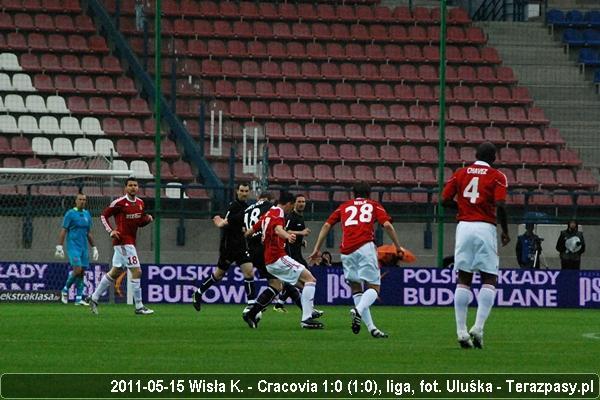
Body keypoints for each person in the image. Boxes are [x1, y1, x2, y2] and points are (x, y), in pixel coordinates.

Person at [309, 182, 402, 339]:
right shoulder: (374, 205)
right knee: (374, 287)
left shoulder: (344, 206)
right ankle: (357, 310)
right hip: (365, 247)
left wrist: (317, 248)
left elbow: (326, 225)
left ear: (353, 193)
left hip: (346, 251)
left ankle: (372, 328)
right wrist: (398, 246)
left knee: (356, 288)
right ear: (369, 193)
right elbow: (387, 225)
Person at [442, 142, 510, 349]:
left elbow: (444, 200)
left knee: (464, 277)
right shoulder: (498, 176)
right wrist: (505, 231)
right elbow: (500, 204)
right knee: (489, 277)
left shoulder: (460, 173)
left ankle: (461, 332)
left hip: (464, 227)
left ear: (475, 155)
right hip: (485, 227)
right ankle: (478, 328)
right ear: (494, 158)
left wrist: (462, 207)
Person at [243, 192, 323, 329]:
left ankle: (252, 313)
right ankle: (307, 319)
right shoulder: (278, 213)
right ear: (289, 204)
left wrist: (246, 236)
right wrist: (287, 236)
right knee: (310, 280)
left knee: (279, 286)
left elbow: (250, 231)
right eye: (292, 206)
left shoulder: (268, 213)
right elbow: (278, 229)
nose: (291, 210)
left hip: (269, 260)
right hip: (277, 258)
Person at [87, 178, 154, 315]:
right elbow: (104, 216)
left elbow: (139, 222)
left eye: (135, 185)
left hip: (129, 242)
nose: (133, 188)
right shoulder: (119, 203)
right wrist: (111, 231)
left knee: (116, 271)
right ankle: (139, 307)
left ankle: (94, 298)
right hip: (123, 241)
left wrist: (147, 220)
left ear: (138, 188)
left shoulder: (140, 203)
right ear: (125, 188)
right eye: (130, 185)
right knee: (137, 271)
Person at [192, 183, 257, 313]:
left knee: (249, 272)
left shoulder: (247, 207)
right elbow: (226, 221)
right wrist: (221, 222)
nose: (244, 193)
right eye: (242, 191)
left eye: (246, 191)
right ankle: (199, 292)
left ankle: (251, 305)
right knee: (219, 274)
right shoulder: (234, 206)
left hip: (241, 245)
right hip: (229, 246)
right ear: (237, 191)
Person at [55, 193, 98, 305]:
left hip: (84, 247)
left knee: (82, 272)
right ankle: (65, 290)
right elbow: (64, 230)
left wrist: (94, 247)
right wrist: (59, 246)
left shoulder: (87, 214)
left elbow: (88, 232)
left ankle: (78, 299)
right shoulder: (70, 214)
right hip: (73, 246)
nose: (82, 201)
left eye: (84, 199)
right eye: (80, 199)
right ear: (76, 201)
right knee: (77, 270)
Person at [273, 194, 311, 312]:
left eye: (303, 202)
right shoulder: (291, 216)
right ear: (294, 203)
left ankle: (280, 303)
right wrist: (302, 233)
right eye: (299, 201)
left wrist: (301, 241)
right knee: (307, 279)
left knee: (294, 280)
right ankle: (308, 309)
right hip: (290, 253)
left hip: (297, 252)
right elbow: (285, 231)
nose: (301, 204)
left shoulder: (300, 216)